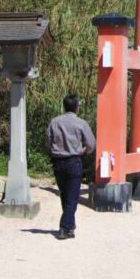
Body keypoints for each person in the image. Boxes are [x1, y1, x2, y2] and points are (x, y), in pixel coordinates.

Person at [47, 93, 96, 240]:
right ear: (77, 108)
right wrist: (83, 151)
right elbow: (91, 144)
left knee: (65, 195)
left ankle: (70, 226)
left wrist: (54, 152)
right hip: (74, 162)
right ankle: (64, 228)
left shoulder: (54, 122)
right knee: (72, 198)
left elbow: (47, 143)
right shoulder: (81, 123)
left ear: (64, 106)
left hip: (58, 163)